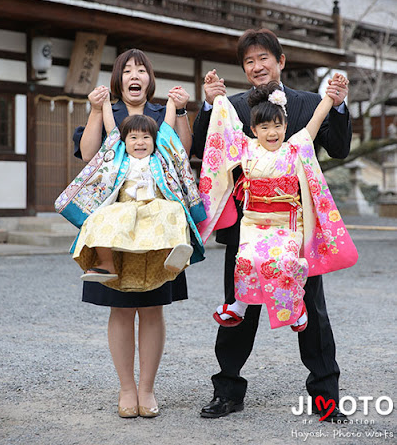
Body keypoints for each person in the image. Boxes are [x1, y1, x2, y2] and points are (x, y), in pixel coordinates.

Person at [192, 28, 353, 422]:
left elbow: (339, 149)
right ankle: (227, 390)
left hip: (296, 228)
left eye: (264, 57)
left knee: (313, 309)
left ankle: (325, 397)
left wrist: (339, 105)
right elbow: (203, 148)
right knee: (239, 305)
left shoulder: (311, 103)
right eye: (248, 61)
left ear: (280, 61)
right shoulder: (231, 106)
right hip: (248, 227)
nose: (256, 66)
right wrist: (210, 106)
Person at [72, 49, 195, 418]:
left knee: (153, 308)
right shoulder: (109, 112)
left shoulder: (161, 114)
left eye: (141, 69)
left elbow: (182, 152)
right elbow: (90, 154)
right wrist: (95, 111)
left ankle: (147, 390)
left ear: (149, 79)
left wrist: (183, 110)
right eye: (127, 70)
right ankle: (127, 389)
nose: (134, 75)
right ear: (118, 80)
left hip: (156, 228)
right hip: (115, 224)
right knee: (121, 309)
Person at [198, 76, 357, 334]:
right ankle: (239, 305)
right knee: (246, 260)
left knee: (284, 262)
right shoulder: (244, 147)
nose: (271, 133)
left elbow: (315, 122)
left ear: (286, 127)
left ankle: (295, 307)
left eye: (277, 126)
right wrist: (217, 97)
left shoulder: (294, 148)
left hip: (287, 222)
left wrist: (331, 96)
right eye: (264, 127)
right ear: (253, 130)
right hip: (253, 222)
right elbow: (226, 125)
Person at [72, 90, 202, 289]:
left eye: (146, 138)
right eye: (133, 138)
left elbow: (167, 127)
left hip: (154, 205)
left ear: (155, 141)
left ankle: (172, 255)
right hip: (126, 206)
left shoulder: (159, 156)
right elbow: (111, 128)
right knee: (98, 217)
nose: (140, 142)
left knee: (174, 210)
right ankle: (107, 264)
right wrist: (104, 104)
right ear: (123, 141)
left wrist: (171, 103)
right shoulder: (119, 156)